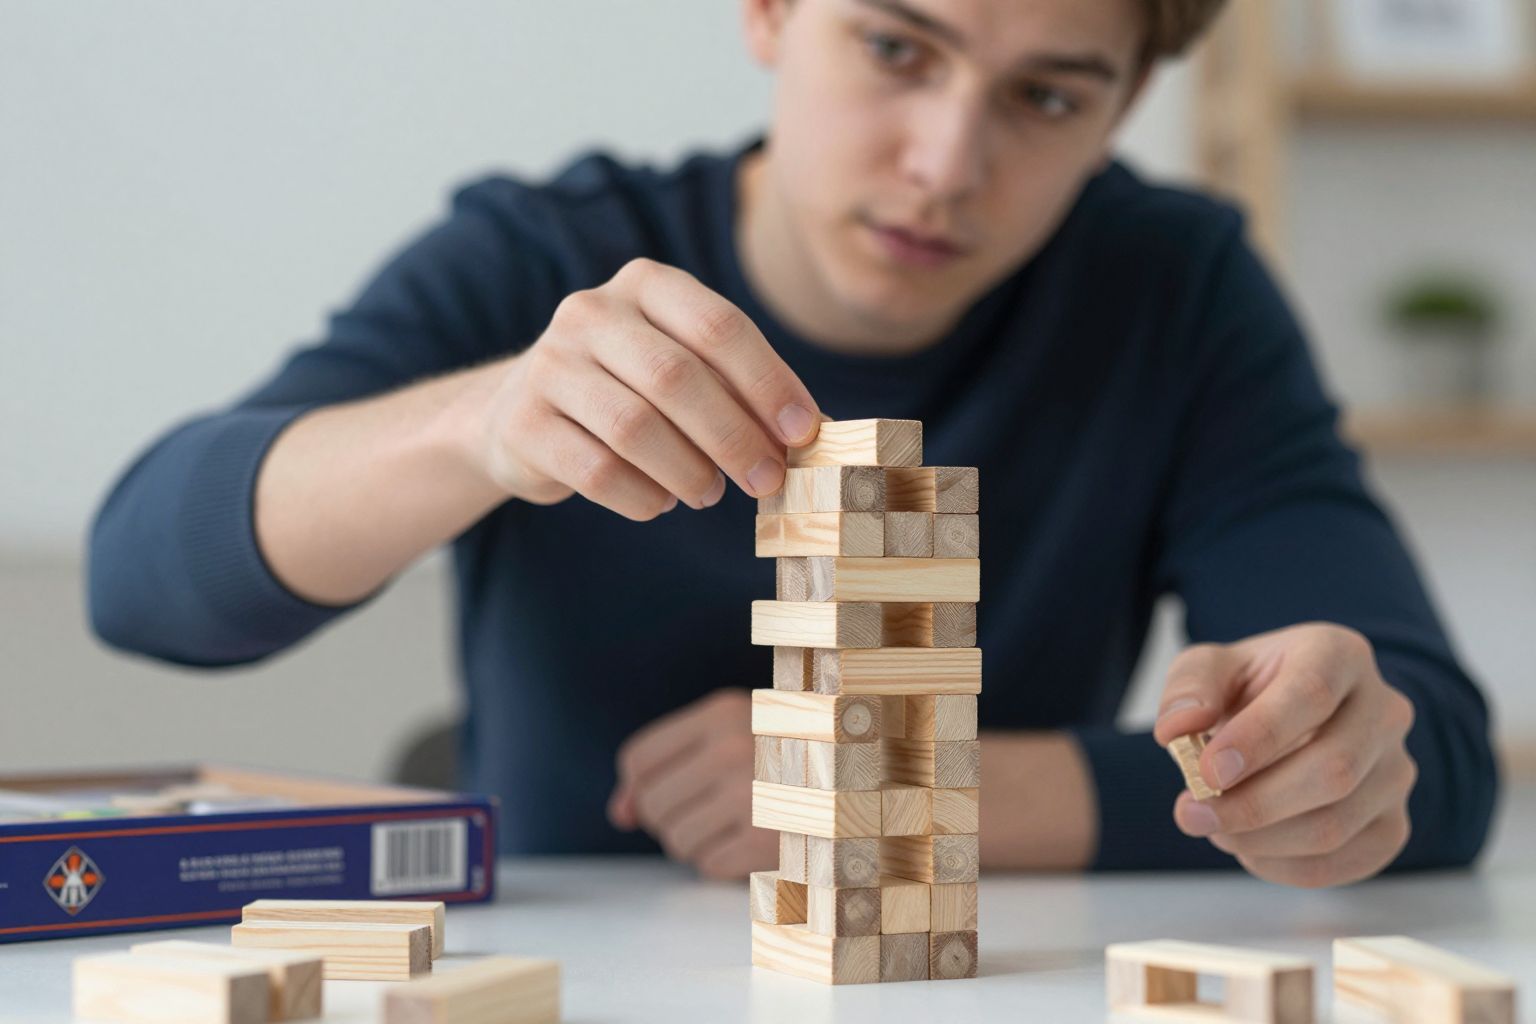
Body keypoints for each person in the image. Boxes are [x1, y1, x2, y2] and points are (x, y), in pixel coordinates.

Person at [89, 0, 1497, 886]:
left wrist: (904, 789)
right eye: (897, 46)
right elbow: (142, 581)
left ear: (1124, 105)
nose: (946, 164)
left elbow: (1435, 764)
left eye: (1048, 96)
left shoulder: (1175, 293)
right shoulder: (543, 255)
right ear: (769, 11)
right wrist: (484, 420)